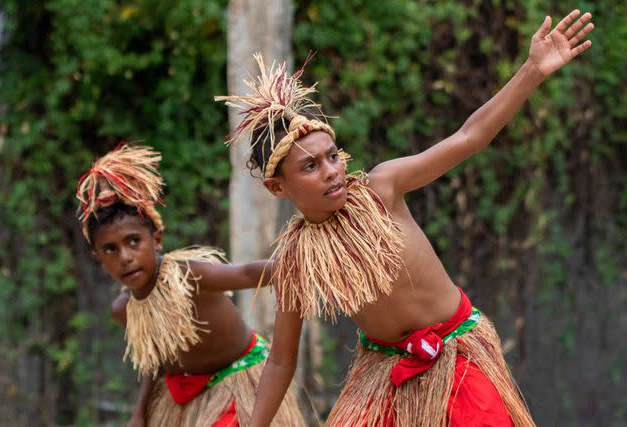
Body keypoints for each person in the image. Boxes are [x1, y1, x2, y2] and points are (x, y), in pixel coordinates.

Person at [215, 9, 594, 427]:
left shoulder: (383, 189)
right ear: (277, 187)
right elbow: (280, 363)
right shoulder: (297, 260)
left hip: (456, 355)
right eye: (310, 167)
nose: (331, 171)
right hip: (384, 374)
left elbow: (470, 137)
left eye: (331, 157)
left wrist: (532, 70)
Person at [76, 144, 304, 427]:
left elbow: (245, 274)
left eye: (133, 241)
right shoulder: (123, 309)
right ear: (99, 259)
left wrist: (302, 265)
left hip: (239, 382)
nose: (125, 257)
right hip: (183, 399)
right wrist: (139, 413)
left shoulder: (186, 276)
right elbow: (154, 360)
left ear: (156, 239)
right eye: (110, 250)